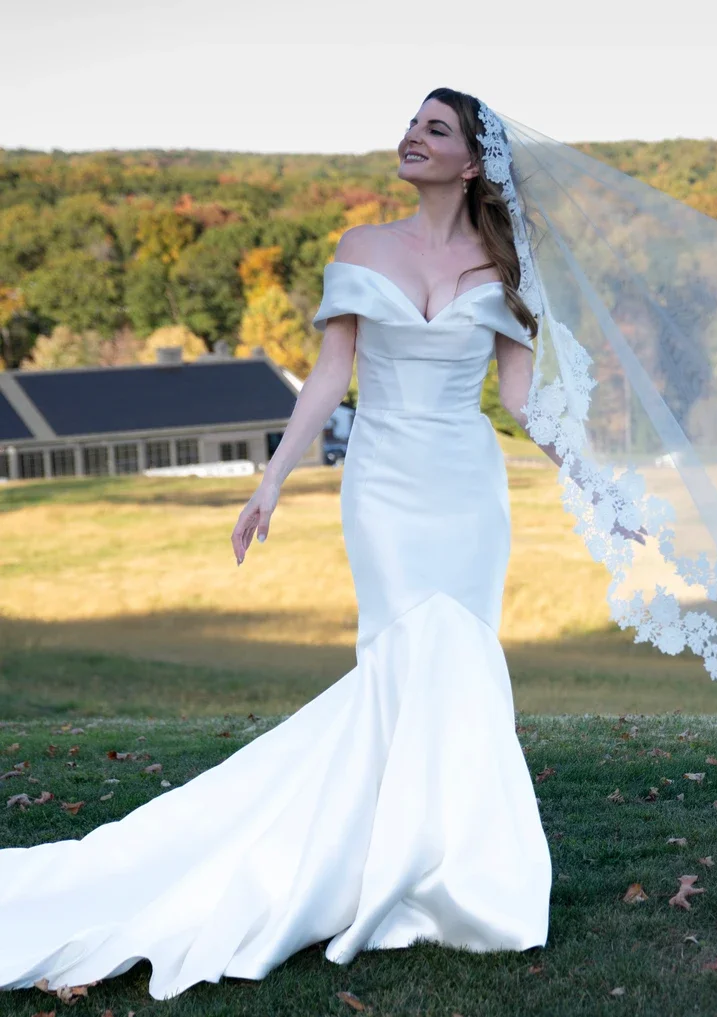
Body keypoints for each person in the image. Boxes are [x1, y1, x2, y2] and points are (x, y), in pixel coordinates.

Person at [0, 88, 564, 1000]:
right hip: (382, 486)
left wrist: (599, 483)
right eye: (410, 124)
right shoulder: (360, 247)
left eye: (435, 129)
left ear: (471, 164)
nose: (410, 137)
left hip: (467, 489)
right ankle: (378, 862)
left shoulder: (506, 266)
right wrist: (273, 478)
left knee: (459, 663)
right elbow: (331, 376)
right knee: (397, 661)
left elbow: (526, 403)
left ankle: (456, 873)